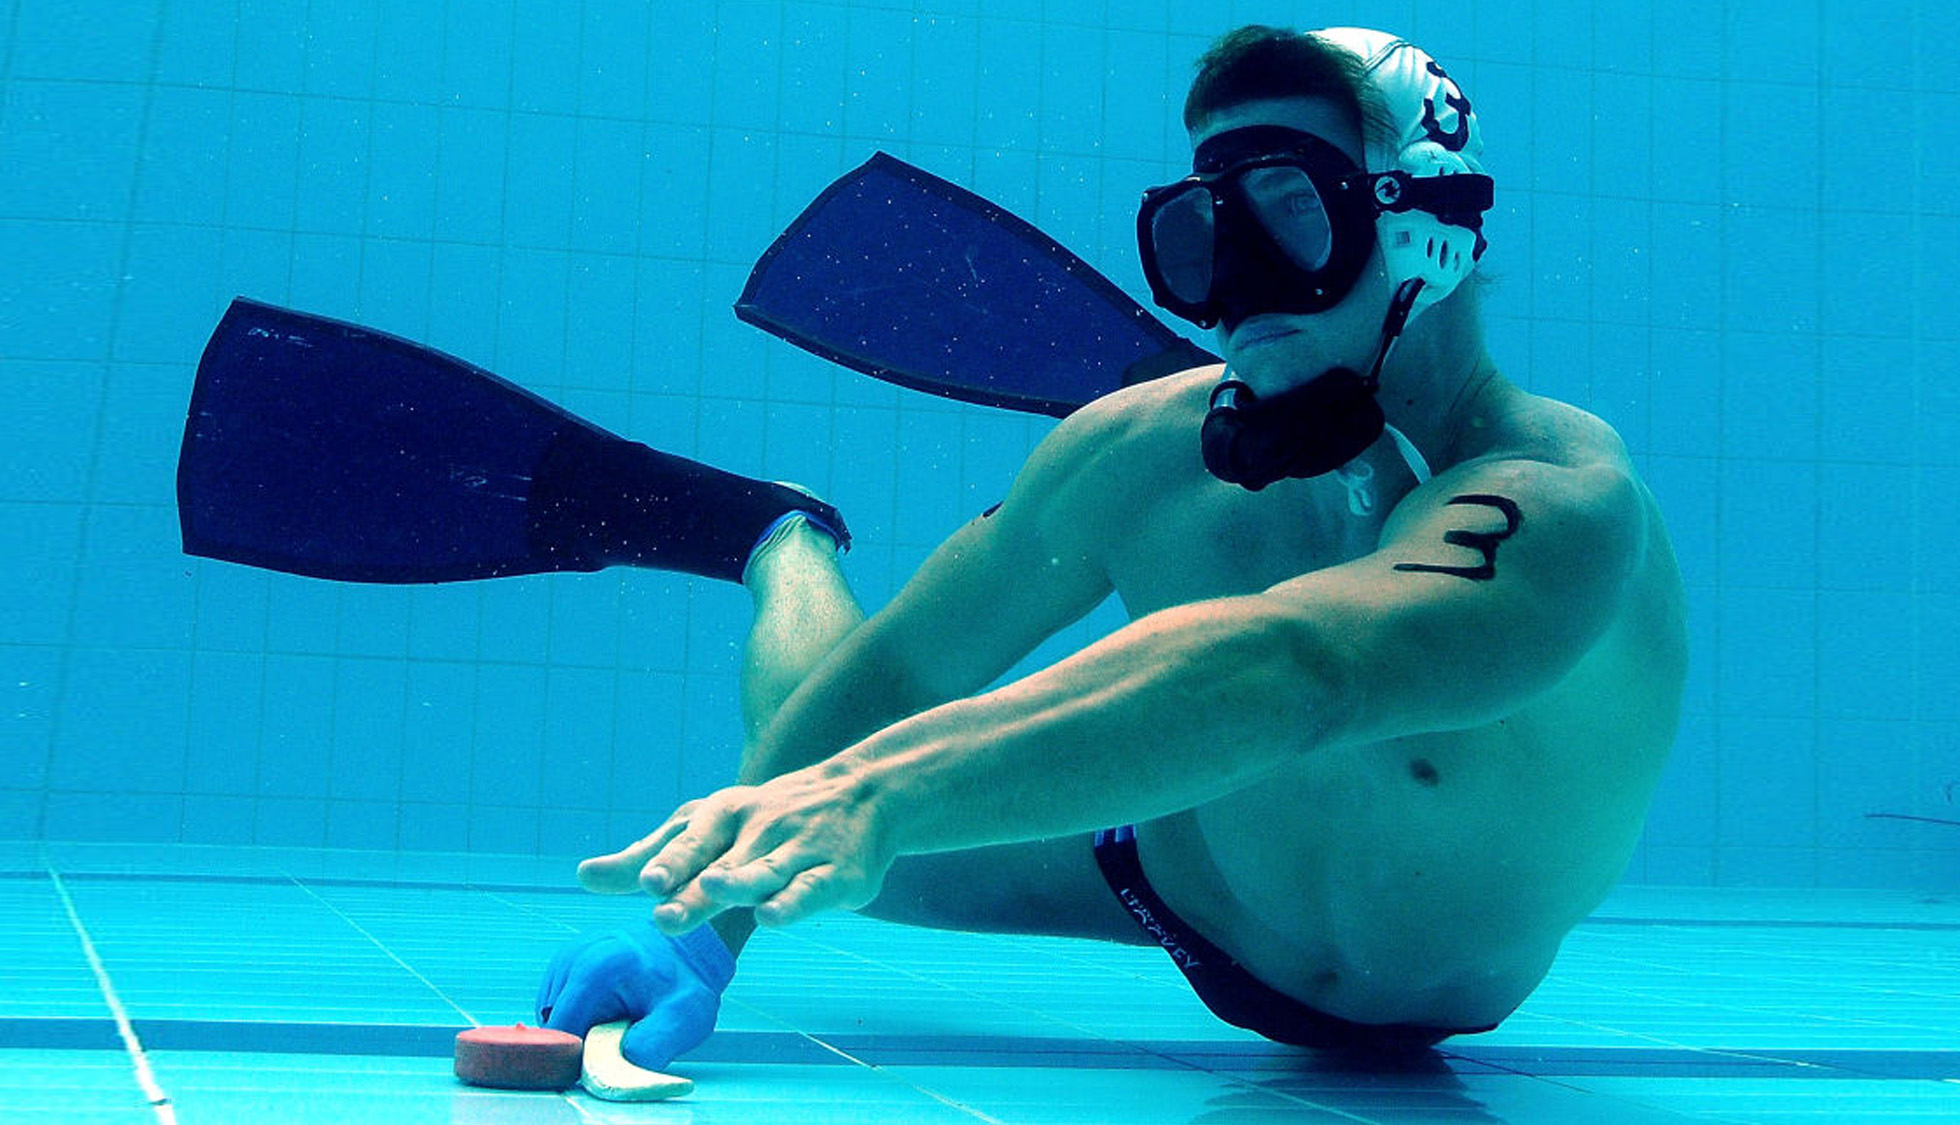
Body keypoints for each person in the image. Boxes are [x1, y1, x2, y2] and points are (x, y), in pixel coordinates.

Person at [537, 24, 1687, 1062]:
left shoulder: (1559, 505)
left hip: (1426, 963)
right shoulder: (1136, 451)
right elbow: (903, 670)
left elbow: (1299, 665)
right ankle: (778, 539)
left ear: (1422, 223)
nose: (1232, 283)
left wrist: (870, 793)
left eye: (1290, 211)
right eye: (1204, 233)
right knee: (832, 861)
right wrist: (705, 934)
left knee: (853, 822)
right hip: (1200, 892)